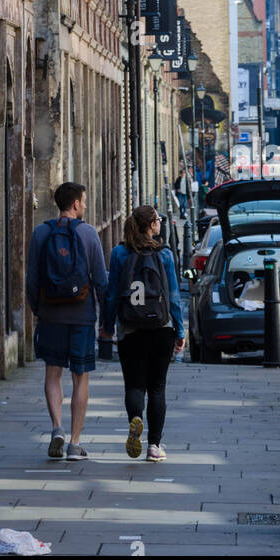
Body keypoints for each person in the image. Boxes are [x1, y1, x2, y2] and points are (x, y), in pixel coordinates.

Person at [26, 182, 108, 461]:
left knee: (52, 373)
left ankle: (56, 427)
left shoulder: (41, 233)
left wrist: (40, 310)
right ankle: (75, 443)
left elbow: (32, 279)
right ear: (75, 204)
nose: (84, 205)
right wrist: (105, 319)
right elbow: (100, 280)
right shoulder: (88, 233)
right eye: (83, 201)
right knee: (80, 376)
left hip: (50, 315)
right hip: (82, 316)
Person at [102, 204, 185, 463]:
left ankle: (135, 418)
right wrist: (180, 330)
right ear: (151, 226)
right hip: (161, 328)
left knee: (134, 385)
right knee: (157, 388)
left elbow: (113, 294)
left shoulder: (119, 254)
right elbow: (173, 296)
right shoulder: (166, 255)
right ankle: (154, 446)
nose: (160, 223)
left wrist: (107, 326)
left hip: (130, 328)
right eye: (158, 220)